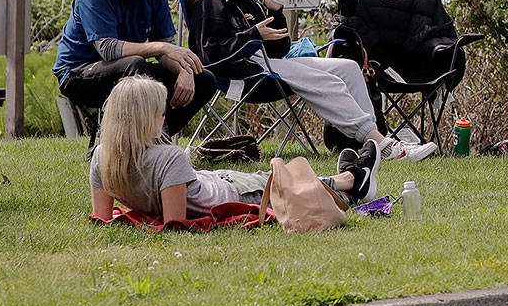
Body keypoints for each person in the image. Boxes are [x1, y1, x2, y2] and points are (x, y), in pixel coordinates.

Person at [183, 0, 436, 162]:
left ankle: (375, 141)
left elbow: (279, 48)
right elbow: (209, 55)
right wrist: (253, 34)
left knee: (347, 67)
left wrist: (275, 11)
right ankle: (385, 146)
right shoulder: (209, 2)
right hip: (243, 73)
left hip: (268, 63)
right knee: (330, 83)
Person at [90, 77, 379, 222]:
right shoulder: (168, 157)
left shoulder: (103, 156)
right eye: (158, 113)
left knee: (270, 176)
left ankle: (349, 180)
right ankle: (354, 180)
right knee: (281, 182)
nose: (164, 118)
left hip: (210, 182)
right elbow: (175, 224)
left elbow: (102, 217)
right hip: (232, 193)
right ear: (143, 119)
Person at [55, 0, 216, 137]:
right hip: (77, 74)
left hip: (129, 69)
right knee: (136, 64)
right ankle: (150, 142)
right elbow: (108, 50)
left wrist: (184, 71)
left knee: (204, 78)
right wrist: (163, 47)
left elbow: (164, 53)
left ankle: (158, 136)